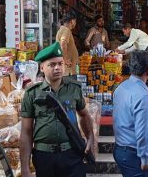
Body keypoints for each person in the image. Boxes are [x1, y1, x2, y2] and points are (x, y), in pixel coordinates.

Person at [20, 42, 94, 177]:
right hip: (44, 157)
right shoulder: (32, 93)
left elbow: (84, 115)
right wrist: (24, 168)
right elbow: (26, 131)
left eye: (60, 63)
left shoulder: (74, 88)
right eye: (52, 65)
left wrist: (90, 138)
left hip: (72, 153)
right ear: (42, 68)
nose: (57, 68)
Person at [112, 50, 148, 177]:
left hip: (120, 149)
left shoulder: (121, 87)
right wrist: (145, 158)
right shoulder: (143, 96)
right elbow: (143, 131)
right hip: (133, 154)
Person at [115, 23, 148, 91]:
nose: (124, 34)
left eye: (124, 31)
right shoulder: (135, 36)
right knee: (146, 69)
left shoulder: (134, 31)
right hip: (147, 50)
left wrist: (118, 48)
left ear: (128, 29)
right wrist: (124, 51)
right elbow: (134, 47)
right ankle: (146, 89)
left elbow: (129, 43)